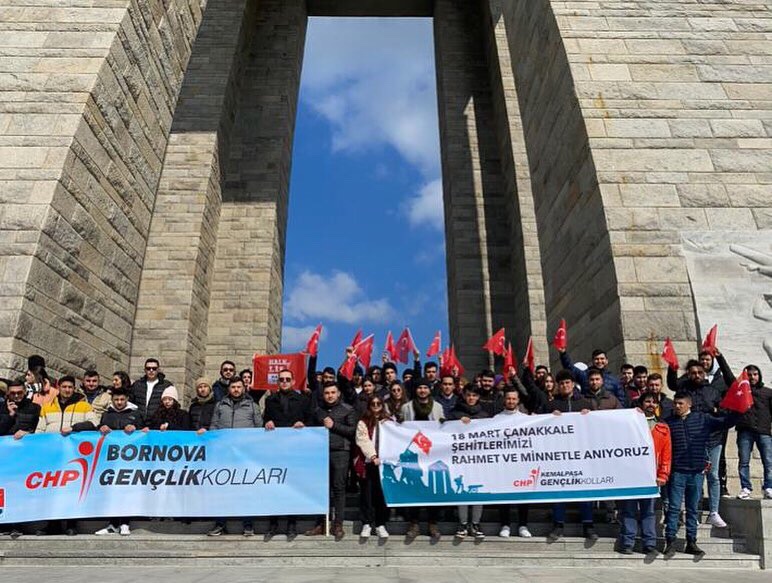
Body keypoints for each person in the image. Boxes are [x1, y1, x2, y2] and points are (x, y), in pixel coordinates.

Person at [663, 392, 737, 557]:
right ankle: (670, 541)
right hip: (677, 472)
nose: (676, 406)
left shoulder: (702, 419)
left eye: (680, 403)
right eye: (675, 403)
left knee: (692, 509)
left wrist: (738, 410)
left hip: (696, 472)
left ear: (689, 404)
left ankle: (691, 542)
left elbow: (725, 423)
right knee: (674, 508)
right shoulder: (668, 422)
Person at [666, 359, 725, 527]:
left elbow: (721, 412)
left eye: (699, 372)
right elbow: (672, 384)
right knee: (695, 477)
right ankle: (695, 513)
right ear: (688, 374)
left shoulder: (713, 391)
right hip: (693, 440)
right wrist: (672, 366)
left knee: (712, 475)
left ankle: (713, 511)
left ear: (704, 373)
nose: (696, 375)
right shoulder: (684, 390)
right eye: (693, 373)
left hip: (713, 438)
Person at [202, 377, 262, 536]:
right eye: (233, 387)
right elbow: (214, 427)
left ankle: (248, 524)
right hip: (224, 455)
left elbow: (259, 429)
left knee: (245, 489)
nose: (236, 389)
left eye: (239, 387)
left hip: (244, 455)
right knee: (222, 490)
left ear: (244, 388)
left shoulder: (252, 406)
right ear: (229, 389)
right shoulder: (220, 405)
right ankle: (220, 523)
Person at [543, 371, 596, 541]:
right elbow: (539, 428)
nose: (565, 386)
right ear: (558, 386)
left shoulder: (586, 404)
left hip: (582, 456)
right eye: (562, 383)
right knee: (560, 490)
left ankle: (588, 526)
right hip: (559, 457)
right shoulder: (551, 405)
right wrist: (549, 418)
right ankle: (558, 525)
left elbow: (598, 427)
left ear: (573, 384)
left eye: (567, 382)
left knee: (584, 491)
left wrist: (591, 417)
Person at [617, 393, 671, 555]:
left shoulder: (663, 427)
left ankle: (649, 543)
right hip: (632, 475)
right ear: (641, 404)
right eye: (647, 401)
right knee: (629, 509)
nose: (651, 404)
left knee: (648, 511)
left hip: (652, 477)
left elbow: (666, 454)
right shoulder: (629, 424)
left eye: (654, 402)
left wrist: (663, 475)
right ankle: (628, 542)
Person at [263, 368, 313, 541]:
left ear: (293, 381)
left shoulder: (302, 400)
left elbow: (311, 420)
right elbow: (265, 420)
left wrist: (303, 423)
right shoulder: (270, 400)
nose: (284, 382)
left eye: (287, 379)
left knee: (293, 486)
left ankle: (292, 525)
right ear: (278, 382)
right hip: (275, 450)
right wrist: (267, 422)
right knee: (274, 486)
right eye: (281, 379)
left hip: (295, 450)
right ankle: (273, 524)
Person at [715, 351, 772, 500]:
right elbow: (728, 376)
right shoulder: (739, 389)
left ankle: (769, 487)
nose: (752, 377)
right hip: (744, 430)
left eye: (755, 374)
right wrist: (720, 357)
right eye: (749, 375)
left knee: (768, 461)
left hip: (764, 431)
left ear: (759, 376)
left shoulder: (768, 393)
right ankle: (746, 487)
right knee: (744, 461)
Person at [308, 383, 357, 540]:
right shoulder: (317, 410)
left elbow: (353, 431)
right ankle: (321, 523)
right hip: (320, 452)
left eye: (332, 392)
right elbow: (311, 429)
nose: (329, 395)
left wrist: (334, 425)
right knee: (321, 489)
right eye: (327, 393)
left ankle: (338, 524)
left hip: (340, 452)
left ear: (338, 393)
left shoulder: (347, 409)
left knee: (338, 488)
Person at [95, 389, 144, 536]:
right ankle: (112, 523)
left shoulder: (135, 414)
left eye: (122, 399)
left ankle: (125, 523)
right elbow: (99, 431)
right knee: (111, 492)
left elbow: (146, 431)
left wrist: (136, 428)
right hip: (110, 460)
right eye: (116, 400)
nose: (119, 402)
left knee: (126, 491)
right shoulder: (107, 414)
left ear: (127, 399)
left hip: (130, 460)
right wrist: (100, 427)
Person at [400, 377, 444, 540]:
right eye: (420, 388)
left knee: (432, 488)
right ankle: (414, 523)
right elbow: (400, 428)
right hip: (413, 456)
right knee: (415, 488)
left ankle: (433, 523)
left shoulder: (438, 407)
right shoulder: (407, 407)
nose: (422, 391)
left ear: (430, 390)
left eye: (425, 388)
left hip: (433, 454)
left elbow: (444, 428)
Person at [449, 385, 489, 540]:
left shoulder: (485, 415)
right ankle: (463, 523)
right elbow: (445, 430)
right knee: (463, 491)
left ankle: (476, 524)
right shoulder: (455, 414)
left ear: (478, 397)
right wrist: (457, 422)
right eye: (469, 395)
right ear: (464, 396)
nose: (471, 398)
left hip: (478, 460)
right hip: (461, 460)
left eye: (474, 395)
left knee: (478, 491)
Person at [496, 388, 532, 538]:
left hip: (521, 463)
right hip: (503, 464)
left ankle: (523, 525)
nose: (511, 401)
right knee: (504, 494)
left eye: (514, 399)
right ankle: (505, 524)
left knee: (523, 494)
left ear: (518, 401)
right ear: (504, 400)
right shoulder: (496, 419)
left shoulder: (526, 419)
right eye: (508, 398)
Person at [354, 395, 391, 540]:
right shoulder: (363, 422)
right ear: (369, 406)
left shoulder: (389, 422)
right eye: (373, 403)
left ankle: (381, 524)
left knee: (381, 495)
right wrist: (373, 456)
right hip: (368, 462)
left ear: (382, 405)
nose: (376, 406)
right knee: (367, 494)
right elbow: (362, 440)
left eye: (378, 403)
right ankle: (367, 523)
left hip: (384, 464)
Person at [559, 346, 626, 406]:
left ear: (606, 361)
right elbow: (570, 368)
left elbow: (621, 401)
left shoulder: (615, 380)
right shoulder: (585, 375)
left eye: (602, 359)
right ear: (593, 361)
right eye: (597, 359)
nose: (599, 361)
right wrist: (563, 354)